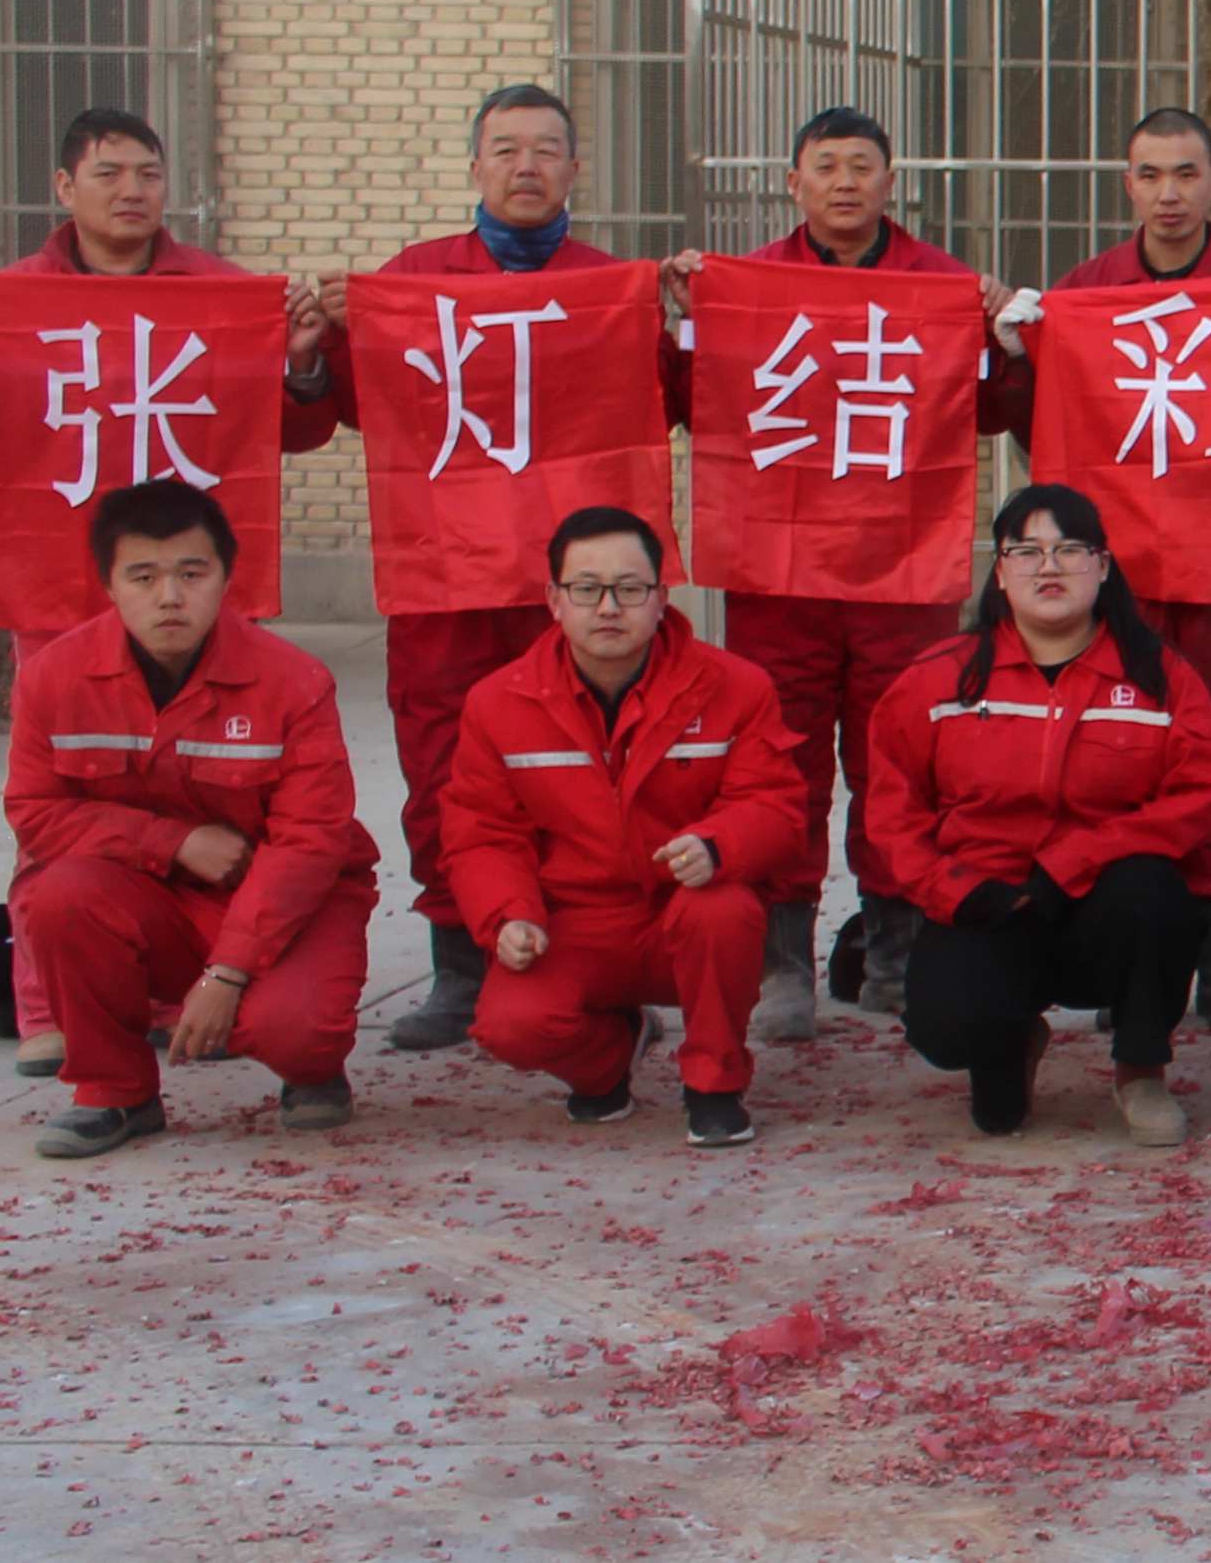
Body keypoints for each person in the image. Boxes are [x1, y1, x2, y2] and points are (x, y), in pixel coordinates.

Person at [0, 107, 340, 1077]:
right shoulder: (8, 299)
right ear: (64, 189)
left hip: (190, 589)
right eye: (108, 173)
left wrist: (302, 361)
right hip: (60, 586)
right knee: (69, 795)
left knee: (212, 790)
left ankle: (183, 982)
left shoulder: (225, 295)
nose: (132, 191)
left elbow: (298, 430)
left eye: (147, 172)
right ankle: (48, 1004)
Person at [660, 106, 1018, 1032]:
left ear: (890, 183)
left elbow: (989, 414)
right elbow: (690, 403)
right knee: (780, 762)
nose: (846, 182)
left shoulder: (940, 285)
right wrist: (686, 323)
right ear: (794, 184)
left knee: (897, 763)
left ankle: (897, 951)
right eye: (826, 166)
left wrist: (995, 334)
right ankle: (783, 961)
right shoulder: (747, 285)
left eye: (863, 165)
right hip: (780, 579)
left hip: (901, 572)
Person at [998, 106, 1211, 1037]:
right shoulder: (1085, 292)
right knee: (1114, 761)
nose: (1169, 194)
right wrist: (1018, 356)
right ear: (1128, 185)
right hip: (1118, 577)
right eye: (1150, 175)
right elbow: (1043, 432)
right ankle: (1129, 957)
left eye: (1186, 173)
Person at [322, 85, 633, 1059]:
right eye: (506, 149)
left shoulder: (609, 287)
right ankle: (461, 961)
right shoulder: (412, 281)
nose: (526, 166)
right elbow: (353, 406)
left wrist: (686, 318)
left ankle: (605, 959)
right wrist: (325, 338)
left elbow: (671, 397)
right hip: (445, 573)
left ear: (574, 169)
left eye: (545, 149)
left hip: (574, 579)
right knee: (444, 766)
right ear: (475, 167)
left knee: (594, 764)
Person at [5, 481, 374, 1158]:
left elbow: (311, 841)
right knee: (58, 897)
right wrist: (171, 842)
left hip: (284, 902)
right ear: (109, 585)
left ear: (227, 579)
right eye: (143, 577)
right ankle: (114, 1092)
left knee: (297, 1031)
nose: (169, 597)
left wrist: (228, 972)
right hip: (148, 899)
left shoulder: (292, 682)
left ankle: (313, 1070)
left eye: (191, 574)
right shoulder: (53, 678)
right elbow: (36, 812)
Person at [862, 486, 1211, 1145]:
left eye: (1069, 549)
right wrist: (951, 891)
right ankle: (1010, 1042)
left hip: (1105, 903)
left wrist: (1076, 861)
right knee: (954, 1043)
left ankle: (1141, 1068)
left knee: (1155, 892)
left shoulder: (1159, 678)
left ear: (1103, 566)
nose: (1049, 567)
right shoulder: (939, 679)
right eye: (1027, 552)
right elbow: (893, 812)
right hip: (988, 902)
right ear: (1001, 572)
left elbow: (1199, 792)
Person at [441, 505, 807, 1148]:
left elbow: (775, 803)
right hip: (574, 921)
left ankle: (714, 1086)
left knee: (723, 910)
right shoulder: (499, 703)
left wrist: (719, 844)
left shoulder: (734, 687)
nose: (609, 608)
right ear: (554, 600)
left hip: (683, 909)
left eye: (630, 589)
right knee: (510, 1026)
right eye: (586, 589)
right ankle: (607, 1060)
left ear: (662, 598)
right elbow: (483, 834)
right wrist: (509, 916)